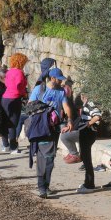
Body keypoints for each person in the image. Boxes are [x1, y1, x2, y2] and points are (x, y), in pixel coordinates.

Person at [29, 67, 73, 198]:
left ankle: (45, 186)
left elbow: (66, 107)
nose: (61, 82)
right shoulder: (39, 89)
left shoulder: (61, 92)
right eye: (59, 80)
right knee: (43, 157)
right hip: (40, 128)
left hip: (54, 128)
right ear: (53, 78)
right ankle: (42, 187)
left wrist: (70, 120)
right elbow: (30, 105)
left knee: (50, 158)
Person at [62, 93, 101, 193]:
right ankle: (88, 183)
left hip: (87, 133)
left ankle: (89, 185)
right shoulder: (86, 104)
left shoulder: (90, 104)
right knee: (86, 159)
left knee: (86, 159)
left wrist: (87, 124)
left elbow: (97, 116)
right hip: (86, 133)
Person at [0, 53, 28, 153]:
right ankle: (13, 147)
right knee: (13, 124)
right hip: (15, 98)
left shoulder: (9, 72)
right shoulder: (20, 73)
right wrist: (24, 93)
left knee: (5, 122)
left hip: (5, 98)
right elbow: (19, 86)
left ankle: (5, 145)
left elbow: (7, 84)